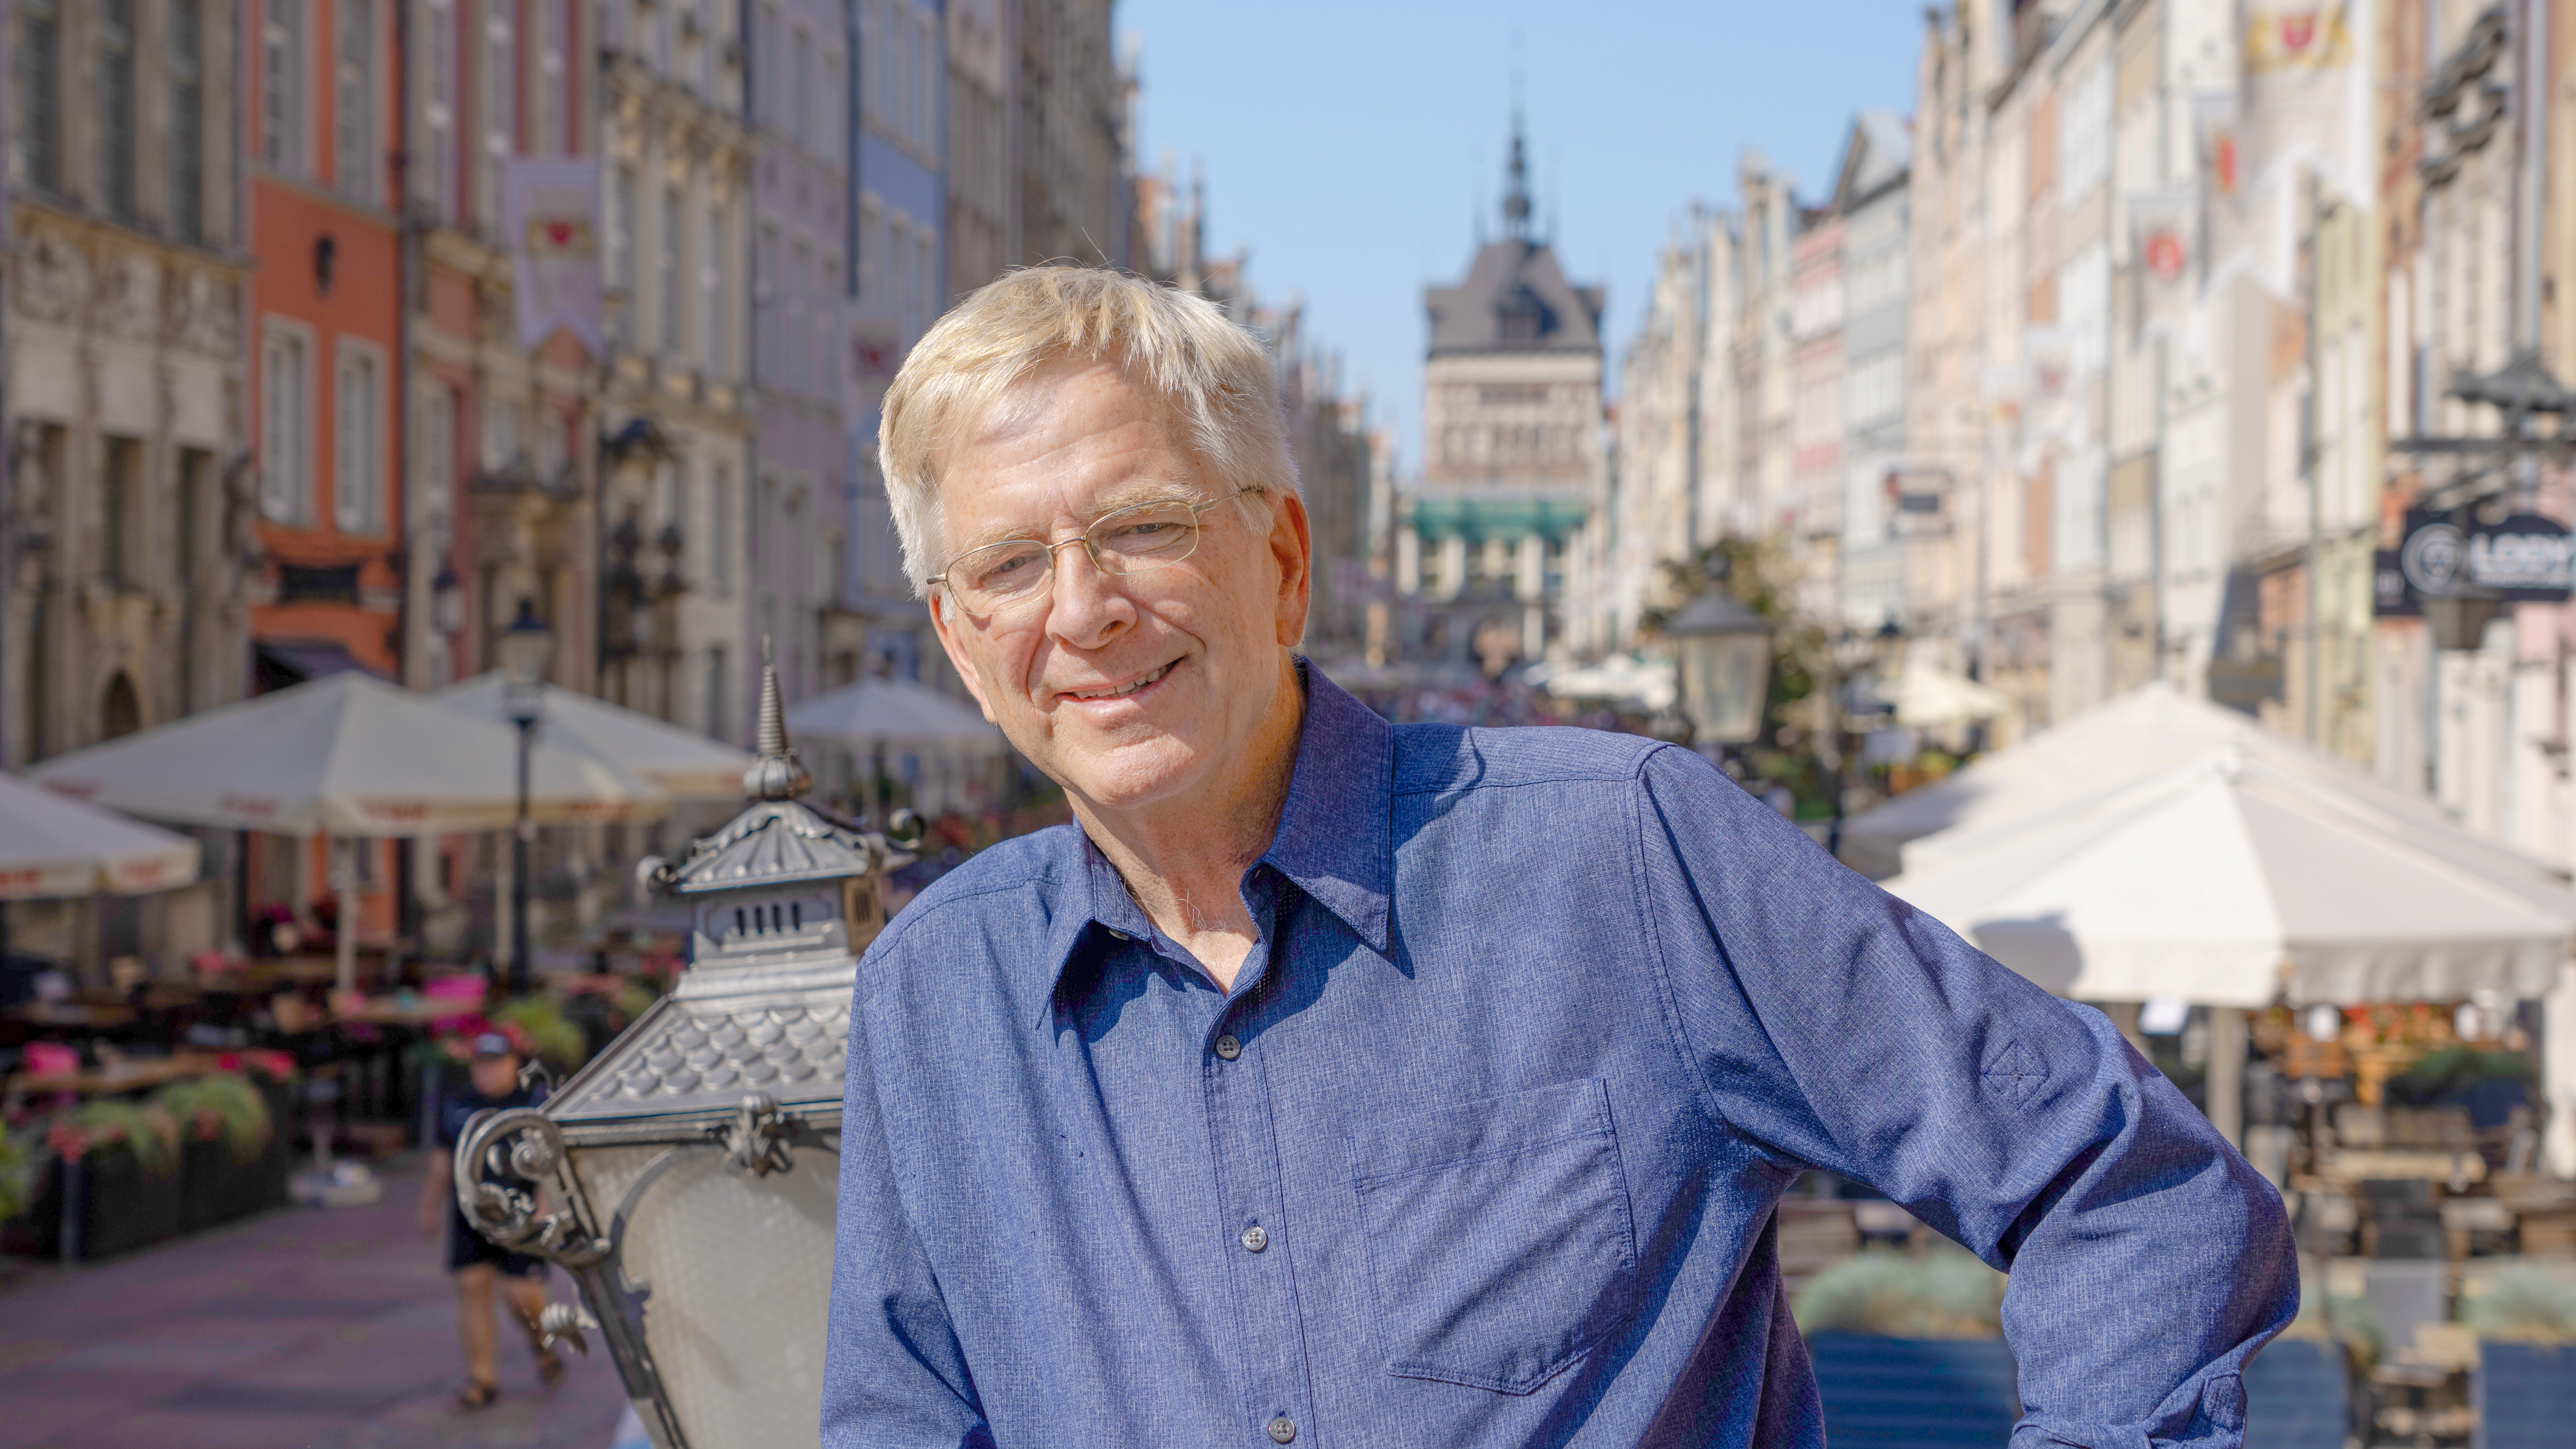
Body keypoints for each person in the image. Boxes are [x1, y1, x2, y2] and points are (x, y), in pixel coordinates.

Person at [821, 267, 2298, 1448]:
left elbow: (2133, 1189)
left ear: (1281, 561)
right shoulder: (936, 993)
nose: (1080, 611)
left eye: (1142, 527)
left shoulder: (1617, 853)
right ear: (958, 636)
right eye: (1010, 564)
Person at [421, 1030, 563, 1412]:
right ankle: (482, 1379)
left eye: (496, 1063)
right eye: (481, 1064)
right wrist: (430, 1204)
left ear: (514, 1063)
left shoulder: (533, 1104)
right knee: (472, 1284)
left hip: (519, 1208)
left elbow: (552, 1160)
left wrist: (544, 1206)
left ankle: (543, 1345)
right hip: (471, 1210)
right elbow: (442, 1155)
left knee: (521, 1294)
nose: (488, 1072)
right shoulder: (460, 1104)